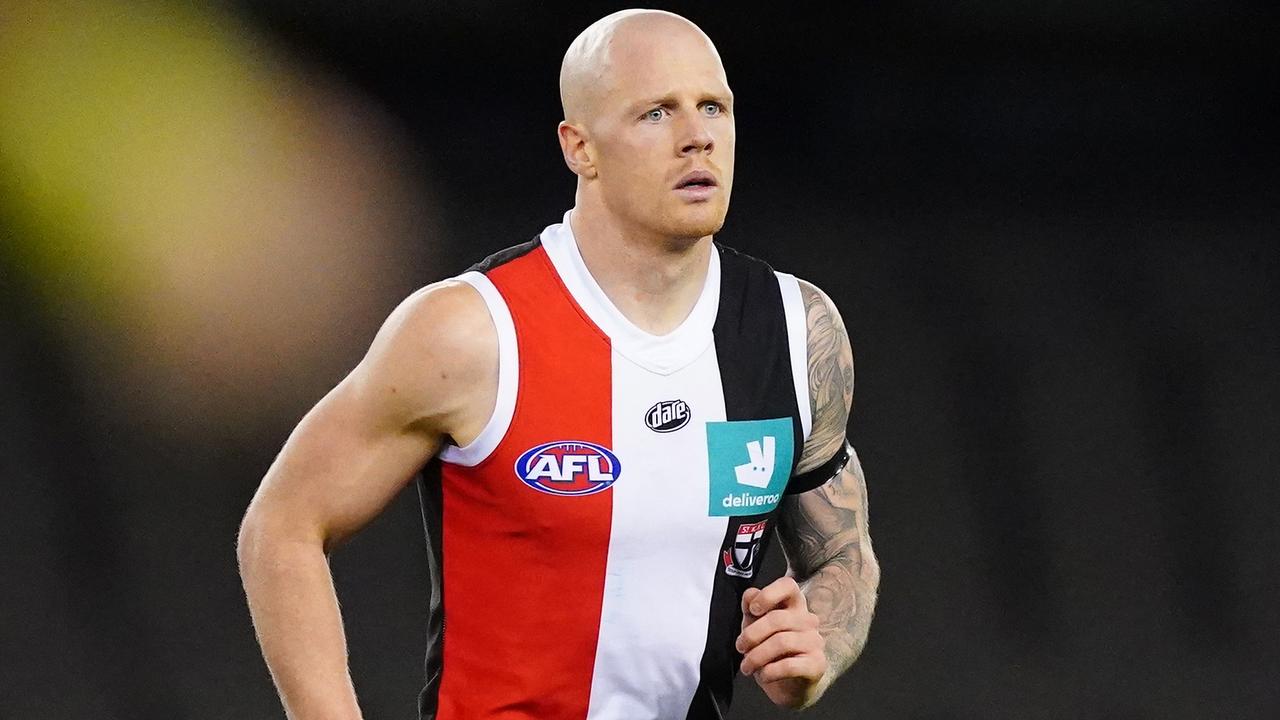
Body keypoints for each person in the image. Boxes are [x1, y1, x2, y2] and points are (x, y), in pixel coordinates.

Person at [237, 8, 879, 719]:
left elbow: (841, 557)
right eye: (656, 112)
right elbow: (284, 525)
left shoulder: (797, 331)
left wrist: (816, 642)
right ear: (580, 148)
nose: (697, 136)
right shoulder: (471, 332)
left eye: (713, 107)